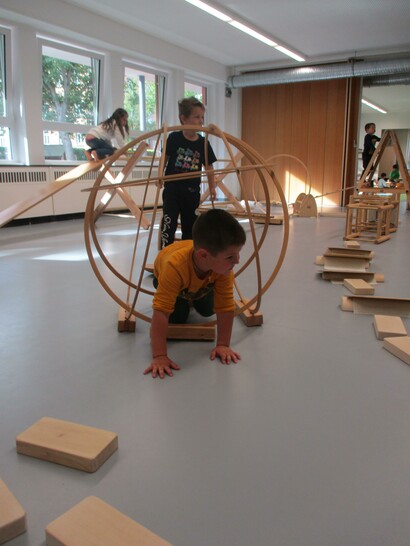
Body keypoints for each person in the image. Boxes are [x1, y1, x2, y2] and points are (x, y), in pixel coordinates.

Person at [144, 208, 246, 379]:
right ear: (204, 255)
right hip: (166, 275)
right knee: (178, 316)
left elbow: (226, 307)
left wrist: (222, 344)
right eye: (230, 257)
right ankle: (184, 298)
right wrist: (159, 356)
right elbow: (161, 312)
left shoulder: (224, 269)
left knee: (207, 309)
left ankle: (191, 295)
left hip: (201, 279)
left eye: (237, 254)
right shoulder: (174, 267)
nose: (237, 261)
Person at [161, 97, 217, 248]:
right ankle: (164, 255)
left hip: (192, 192)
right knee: (168, 223)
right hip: (172, 190)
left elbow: (209, 168)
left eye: (202, 117)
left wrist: (212, 187)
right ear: (184, 119)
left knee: (190, 226)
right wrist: (159, 176)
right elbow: (164, 159)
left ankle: (187, 255)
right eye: (197, 117)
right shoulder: (174, 138)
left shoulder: (203, 143)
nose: (201, 121)